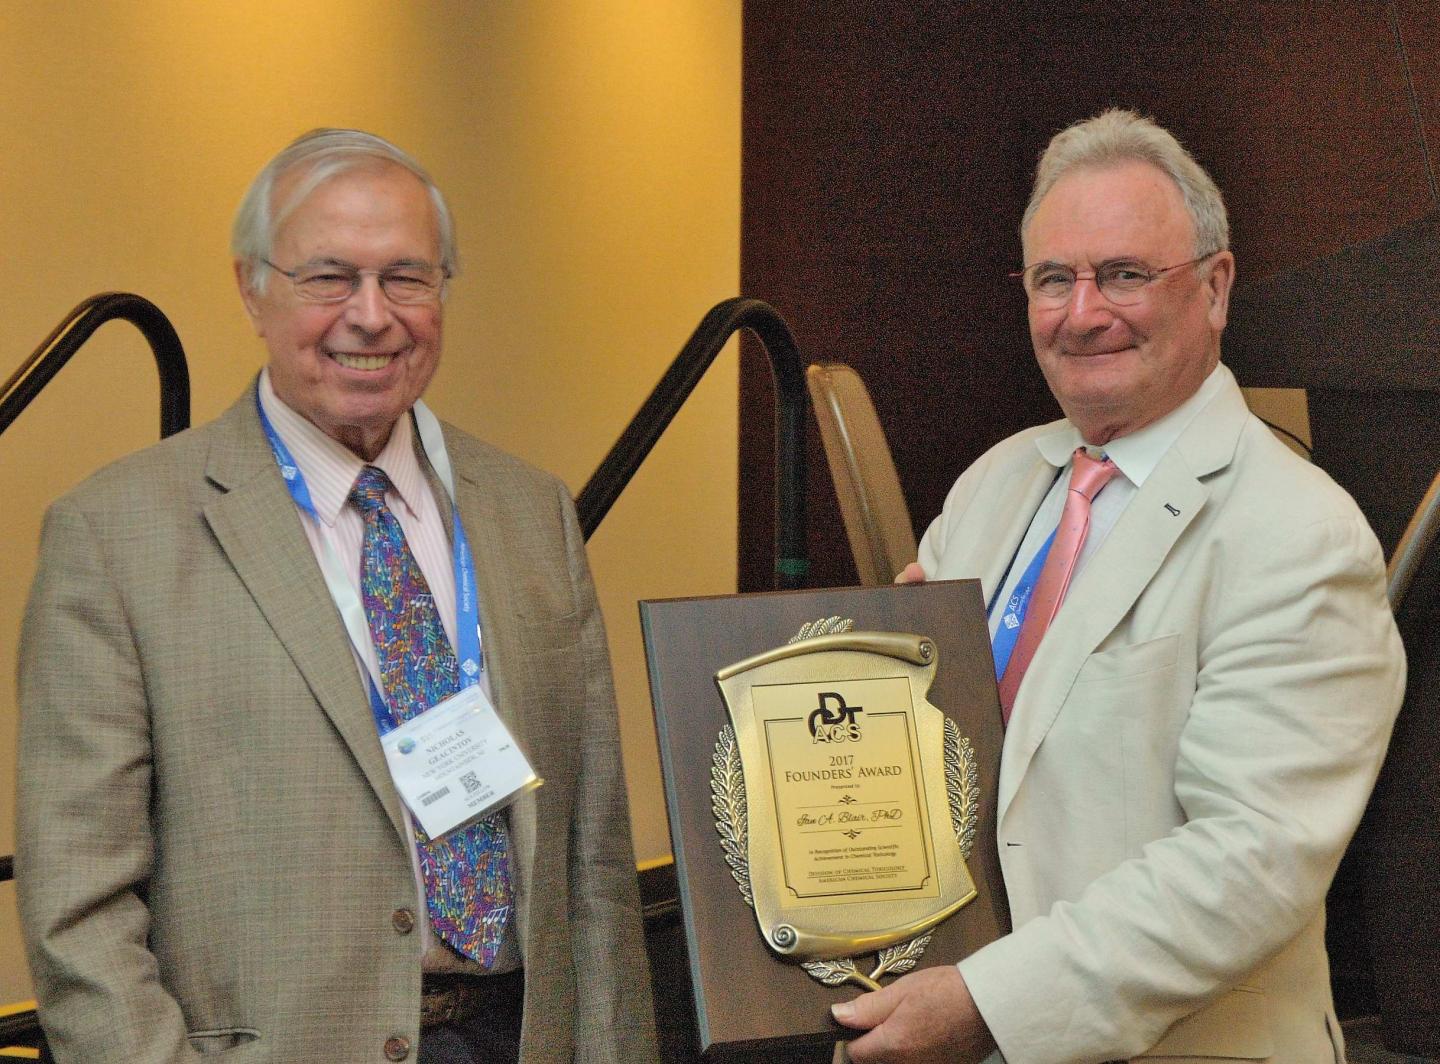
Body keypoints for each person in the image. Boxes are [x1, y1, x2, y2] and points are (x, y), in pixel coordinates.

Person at [15, 128, 658, 1064]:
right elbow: (79, 909)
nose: (371, 315)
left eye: (406, 277)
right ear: (252, 289)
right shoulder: (116, 536)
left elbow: (592, 862)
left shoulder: (532, 513)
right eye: (328, 277)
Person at [831, 110, 1405, 1063]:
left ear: (1215, 288)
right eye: (1054, 279)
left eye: (1126, 274)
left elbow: (1247, 863)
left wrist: (990, 1005)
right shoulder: (993, 485)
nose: (1083, 312)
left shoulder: (1299, 533)